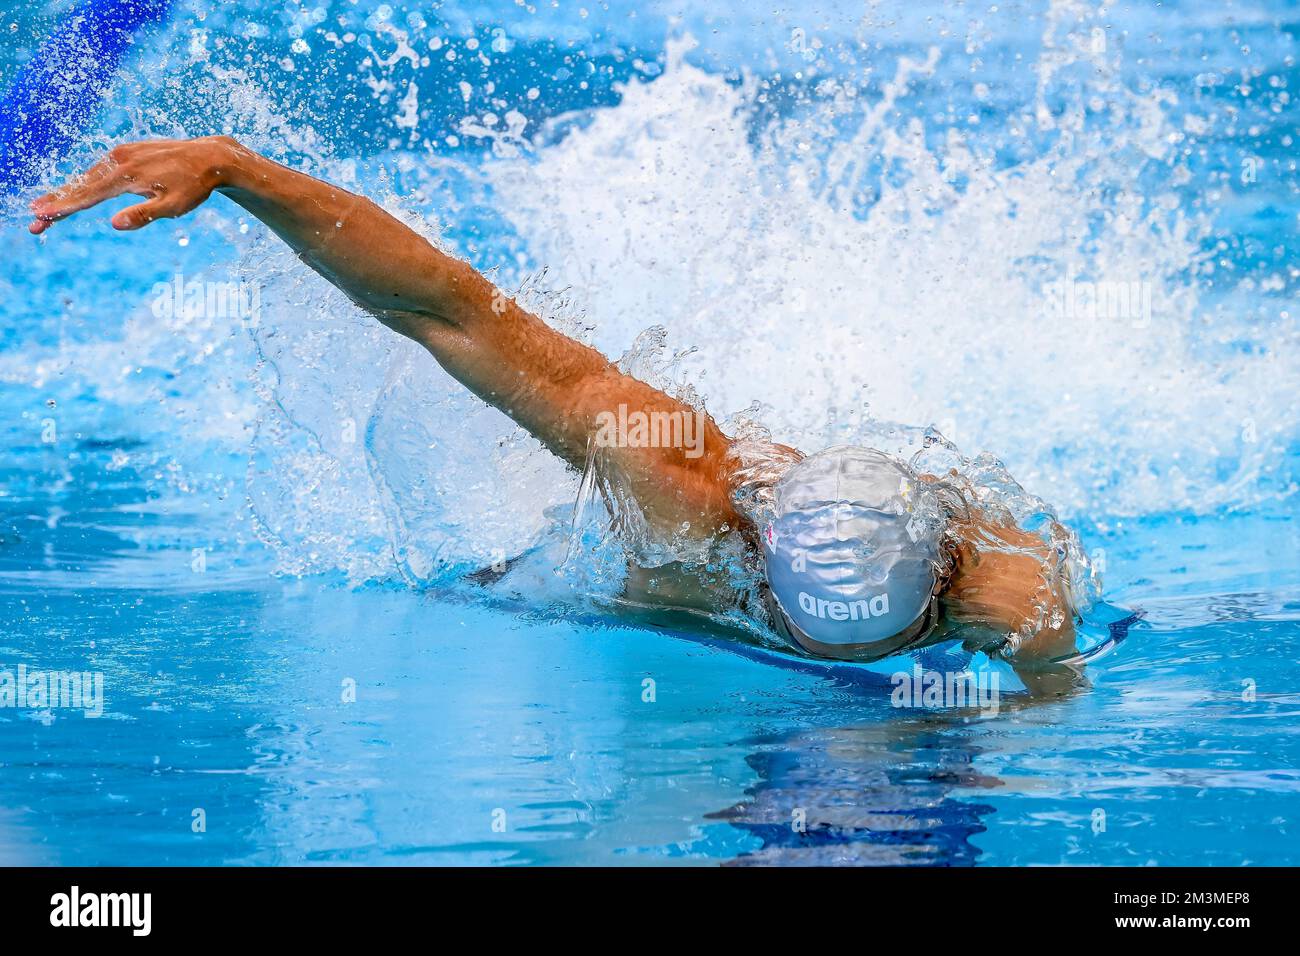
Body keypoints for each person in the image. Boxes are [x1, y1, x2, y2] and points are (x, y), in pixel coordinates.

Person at [28, 135, 1086, 673]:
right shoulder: (678, 489)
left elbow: (1050, 726)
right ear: (760, 566)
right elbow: (445, 308)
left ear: (938, 591)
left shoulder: (1008, 596)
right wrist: (239, 168)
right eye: (807, 632)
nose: (836, 665)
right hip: (643, 572)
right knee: (500, 589)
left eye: (864, 649)